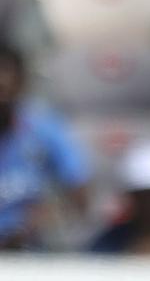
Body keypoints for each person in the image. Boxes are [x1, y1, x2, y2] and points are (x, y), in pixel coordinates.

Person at [0, 42, 91, 249]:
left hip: (29, 253)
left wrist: (44, 218)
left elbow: (80, 197)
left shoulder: (44, 128)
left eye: (6, 84)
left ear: (21, 84)